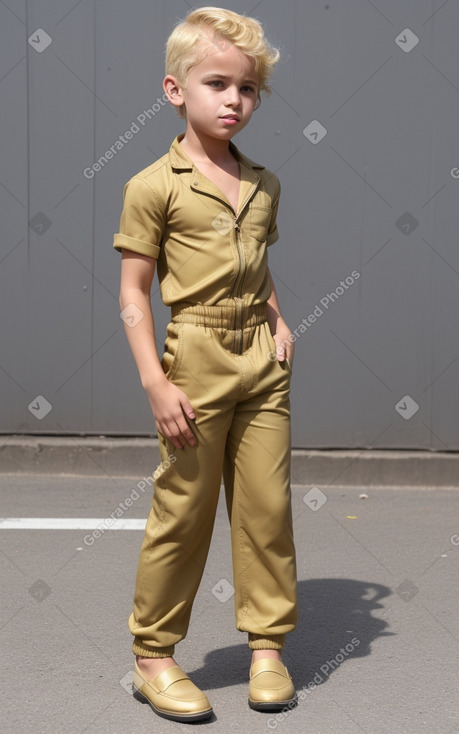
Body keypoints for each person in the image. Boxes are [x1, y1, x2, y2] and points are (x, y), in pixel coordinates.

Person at [113, 6, 298, 724]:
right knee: (182, 512)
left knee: (267, 509)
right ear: (174, 89)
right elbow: (132, 292)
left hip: (261, 358)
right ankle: (152, 658)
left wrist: (280, 322)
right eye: (216, 83)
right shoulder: (151, 184)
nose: (233, 100)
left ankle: (266, 648)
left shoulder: (261, 183)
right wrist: (155, 381)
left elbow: (259, 265)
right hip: (191, 357)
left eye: (247, 88)